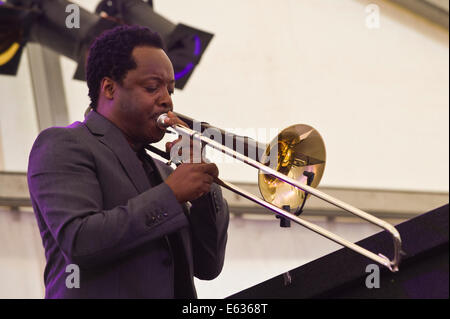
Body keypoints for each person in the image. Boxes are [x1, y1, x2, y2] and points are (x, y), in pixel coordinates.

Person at [27, 25, 229, 299]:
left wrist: (203, 188)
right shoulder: (63, 144)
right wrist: (171, 194)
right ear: (109, 88)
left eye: (170, 90)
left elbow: (207, 266)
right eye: (152, 87)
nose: (167, 101)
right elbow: (80, 241)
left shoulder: (162, 171)